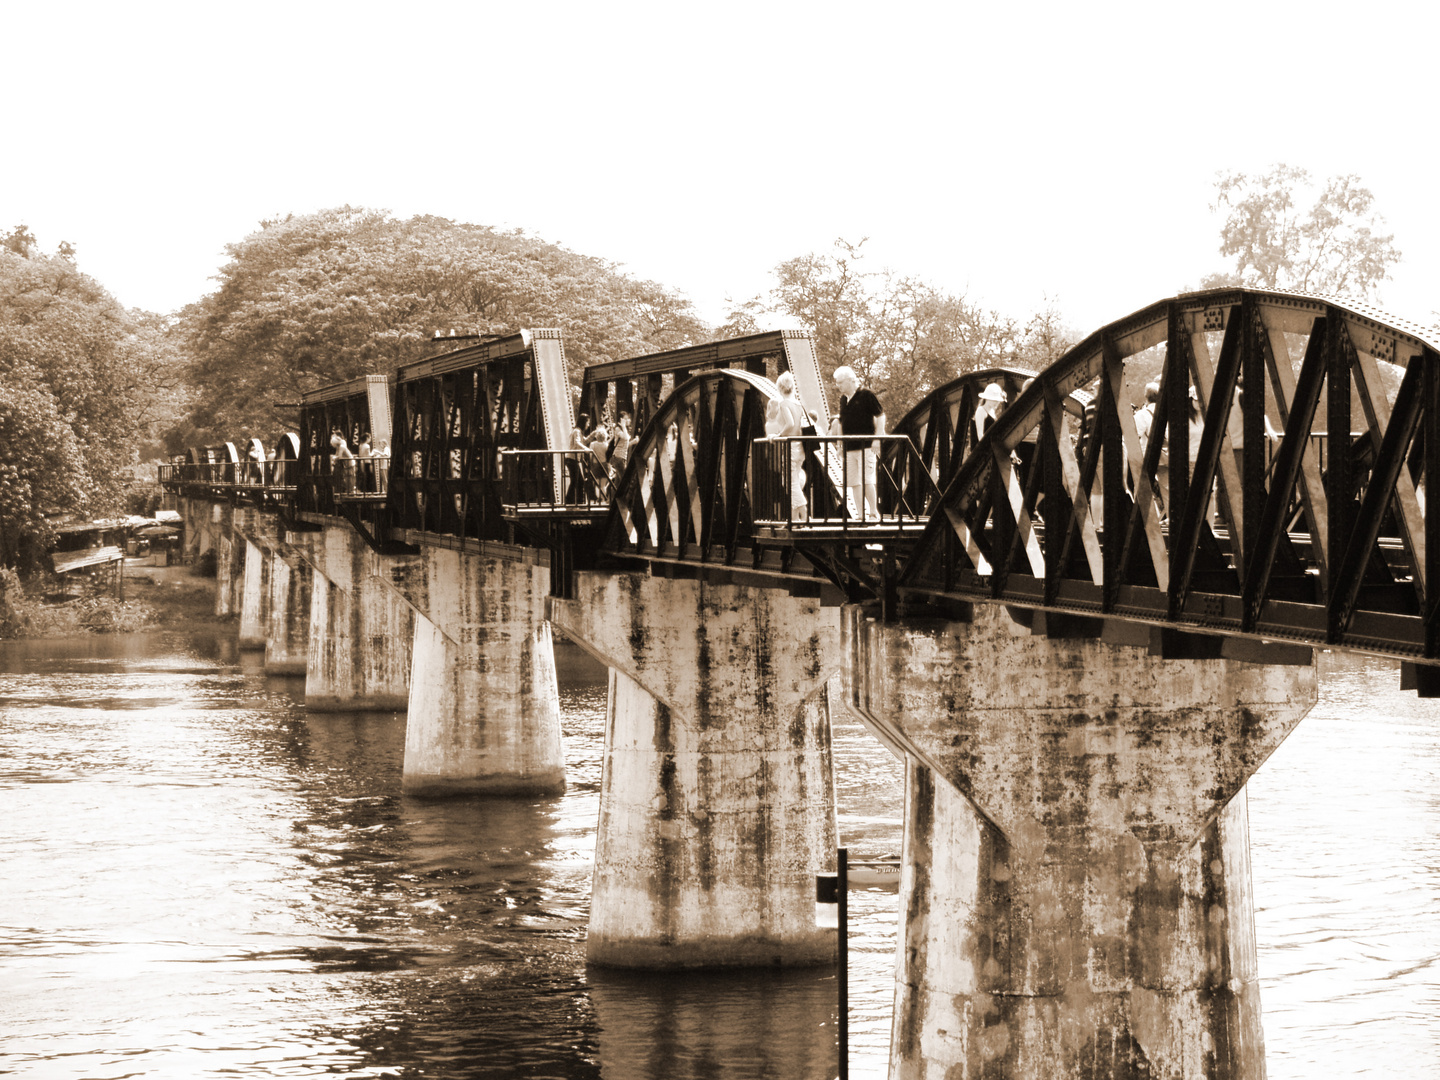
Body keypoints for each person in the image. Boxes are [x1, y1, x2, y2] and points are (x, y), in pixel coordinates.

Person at [831, 365, 885, 522]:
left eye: (840, 382)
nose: (838, 385)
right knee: (854, 482)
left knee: (867, 479)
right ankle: (860, 515)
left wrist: (877, 438)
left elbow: (880, 415)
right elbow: (842, 422)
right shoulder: (843, 399)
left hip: (866, 445)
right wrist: (840, 445)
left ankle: (874, 513)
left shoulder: (866, 395)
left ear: (850, 380)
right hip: (850, 447)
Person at [765, 371, 810, 522]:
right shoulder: (798, 403)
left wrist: (778, 435)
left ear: (779, 387)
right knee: (795, 479)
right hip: (800, 446)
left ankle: (803, 511)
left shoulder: (784, 403)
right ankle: (795, 518)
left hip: (791, 447)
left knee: (789, 481)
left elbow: (790, 423)